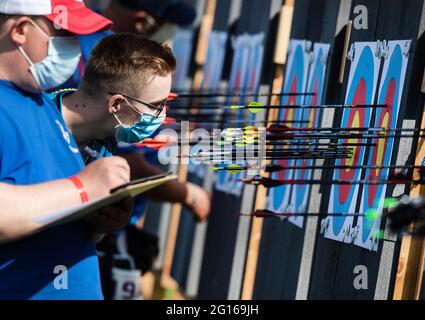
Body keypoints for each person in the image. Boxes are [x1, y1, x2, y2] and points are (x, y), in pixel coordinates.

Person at [51, 33, 209, 298]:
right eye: (156, 106)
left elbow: (84, 235)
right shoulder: (28, 120)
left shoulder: (106, 142)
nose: (163, 116)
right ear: (117, 104)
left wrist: (103, 224)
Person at [0, 0, 133, 300]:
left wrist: (97, 217)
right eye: (64, 34)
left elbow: (49, 200)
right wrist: (83, 189)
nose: (75, 48)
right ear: (21, 29)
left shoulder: (42, 102)